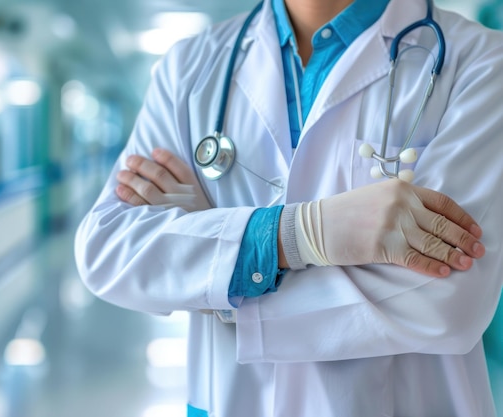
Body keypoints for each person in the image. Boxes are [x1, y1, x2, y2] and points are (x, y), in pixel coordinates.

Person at [74, 0, 503, 415]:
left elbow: (445, 300)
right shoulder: (190, 66)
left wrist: (219, 275)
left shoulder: (481, 63)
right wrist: (298, 234)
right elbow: (109, 246)